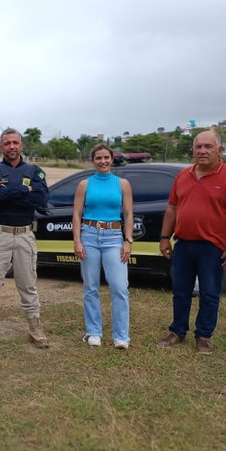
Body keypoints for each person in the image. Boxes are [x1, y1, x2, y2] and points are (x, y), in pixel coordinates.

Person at [157, 129, 226, 354]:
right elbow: (172, 208)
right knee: (180, 291)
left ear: (220, 150)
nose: (202, 151)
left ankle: (204, 336)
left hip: (213, 247)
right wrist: (164, 237)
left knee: (209, 293)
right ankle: (177, 331)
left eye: (208, 146)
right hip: (183, 244)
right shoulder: (183, 175)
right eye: (198, 147)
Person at [0, 128, 50, 350]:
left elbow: (41, 198)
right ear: (1, 147)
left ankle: (34, 326)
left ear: (21, 145)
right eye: (7, 143)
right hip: (0, 234)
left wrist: (10, 189)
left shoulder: (35, 170)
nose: (11, 147)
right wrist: (25, 189)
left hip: (25, 234)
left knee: (28, 283)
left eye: (15, 142)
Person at [72, 144, 134, 349]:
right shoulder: (85, 184)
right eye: (98, 158)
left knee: (119, 287)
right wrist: (77, 241)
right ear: (93, 161)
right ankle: (94, 332)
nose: (103, 161)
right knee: (90, 287)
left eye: (106, 157)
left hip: (114, 237)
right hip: (89, 236)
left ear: (112, 158)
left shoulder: (122, 184)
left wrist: (128, 240)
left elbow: (128, 214)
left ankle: (121, 336)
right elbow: (76, 215)